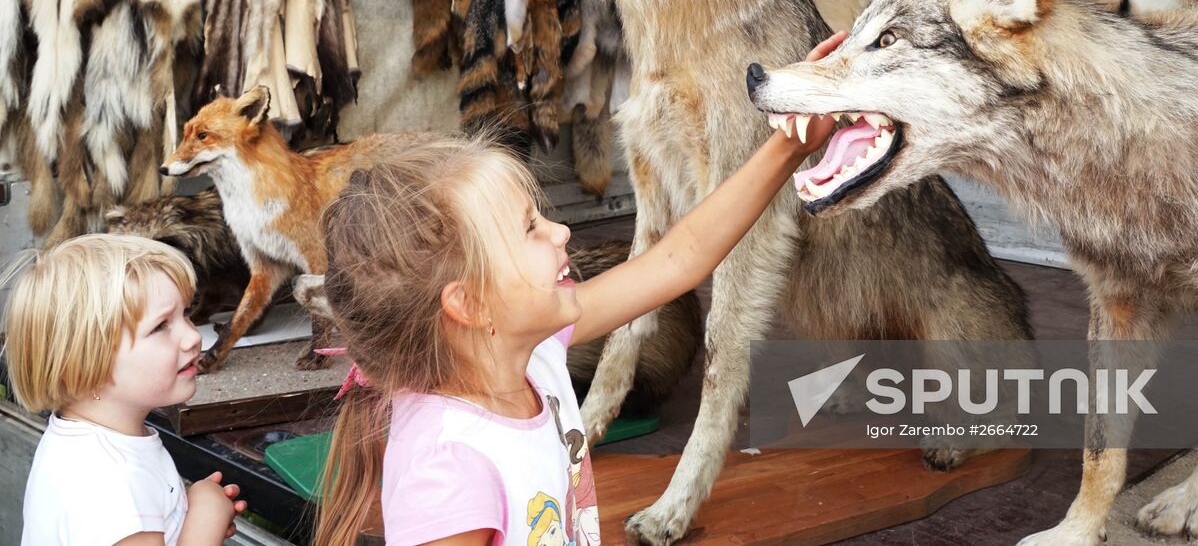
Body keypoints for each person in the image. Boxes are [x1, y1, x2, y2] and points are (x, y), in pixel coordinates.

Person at [313, 34, 846, 546]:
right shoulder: (448, 468)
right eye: (530, 229)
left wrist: (790, 143)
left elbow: (677, 260)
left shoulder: (531, 352)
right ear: (470, 304)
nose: (562, 232)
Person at [5, 233, 247, 544]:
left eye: (185, 313)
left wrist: (179, 516)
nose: (192, 338)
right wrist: (205, 522)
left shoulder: (92, 447)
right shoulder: (110, 483)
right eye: (160, 326)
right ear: (85, 363)